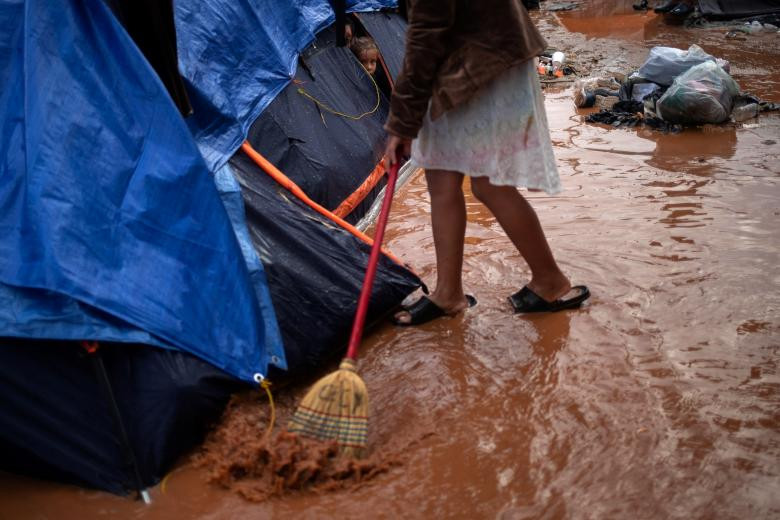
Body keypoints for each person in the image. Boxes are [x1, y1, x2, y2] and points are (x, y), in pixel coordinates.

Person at [384, 0, 590, 326]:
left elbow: (426, 36)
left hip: (488, 60)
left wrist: (401, 123)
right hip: (468, 51)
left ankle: (550, 281)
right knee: (440, 174)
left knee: (489, 182)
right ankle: (448, 293)